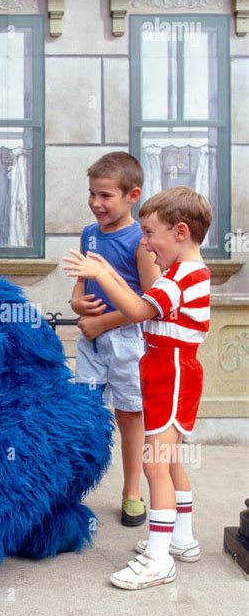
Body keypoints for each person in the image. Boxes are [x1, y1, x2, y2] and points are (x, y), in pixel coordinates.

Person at [64, 186, 212, 590]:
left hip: (171, 370)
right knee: (171, 458)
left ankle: (159, 559)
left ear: (180, 232)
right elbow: (142, 299)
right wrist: (106, 272)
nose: (144, 243)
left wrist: (101, 275)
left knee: (155, 463)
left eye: (150, 234)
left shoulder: (179, 277)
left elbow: (135, 309)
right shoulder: (189, 273)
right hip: (171, 368)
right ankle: (180, 538)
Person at [71, 152, 160, 527]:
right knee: (84, 410)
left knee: (128, 414)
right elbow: (81, 279)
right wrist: (76, 302)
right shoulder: (90, 233)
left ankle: (131, 492)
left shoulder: (141, 241)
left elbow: (152, 302)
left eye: (105, 195)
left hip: (126, 340)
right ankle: (71, 489)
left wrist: (103, 322)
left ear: (132, 195)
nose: (96, 203)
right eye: (92, 193)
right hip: (91, 337)